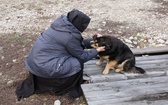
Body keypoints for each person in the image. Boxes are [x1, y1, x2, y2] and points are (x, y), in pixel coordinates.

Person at [15, 9, 105, 101]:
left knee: (74, 56)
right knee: (77, 62)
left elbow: (76, 45)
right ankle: (64, 85)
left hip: (36, 65)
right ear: (79, 25)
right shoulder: (69, 37)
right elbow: (82, 56)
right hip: (44, 69)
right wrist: (97, 50)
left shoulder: (61, 27)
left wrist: (94, 41)